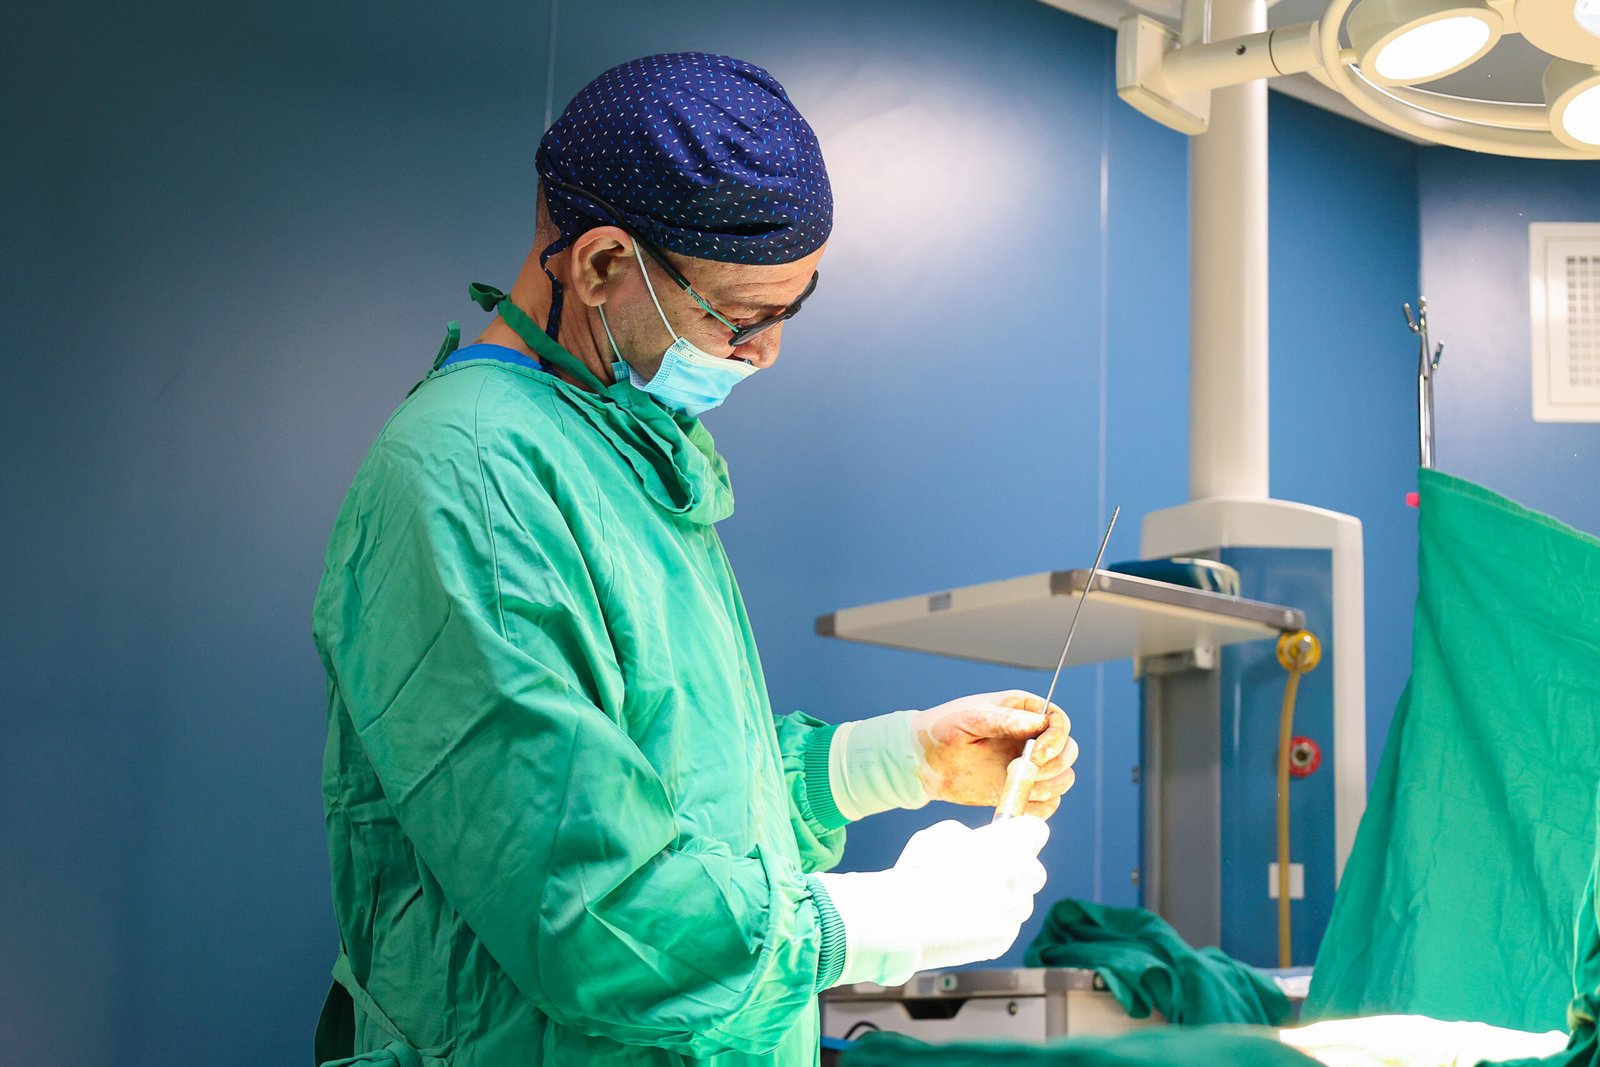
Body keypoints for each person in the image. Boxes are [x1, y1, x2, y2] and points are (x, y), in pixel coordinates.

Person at [312, 51, 1079, 1067]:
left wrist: (886, 761)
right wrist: (878, 921)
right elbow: (591, 914)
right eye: (741, 315)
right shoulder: (471, 479)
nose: (765, 354)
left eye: (787, 315)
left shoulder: (622, 449)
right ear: (596, 265)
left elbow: (681, 791)